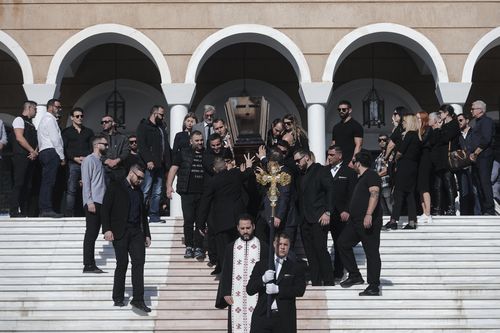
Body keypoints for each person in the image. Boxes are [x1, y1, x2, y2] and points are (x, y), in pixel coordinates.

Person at [102, 164, 152, 313]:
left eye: (143, 179)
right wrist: (107, 229)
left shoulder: (138, 191)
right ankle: (118, 297)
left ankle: (138, 299)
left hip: (136, 231)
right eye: (138, 177)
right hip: (120, 231)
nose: (140, 181)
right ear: (131, 173)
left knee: (139, 263)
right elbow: (105, 209)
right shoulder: (115, 186)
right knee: (122, 263)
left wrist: (147, 234)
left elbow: (143, 215)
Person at [198, 155, 254, 274]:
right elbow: (247, 174)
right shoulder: (235, 174)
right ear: (225, 165)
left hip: (222, 222)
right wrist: (249, 166)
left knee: (224, 252)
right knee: (240, 248)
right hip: (238, 220)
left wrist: (200, 224)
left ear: (214, 169)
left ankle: (227, 276)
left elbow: (205, 203)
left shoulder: (213, 182)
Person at [338, 150, 382, 296]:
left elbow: (374, 194)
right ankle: (355, 275)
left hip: (368, 221)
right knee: (342, 243)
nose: (351, 164)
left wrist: (369, 214)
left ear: (358, 162)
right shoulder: (360, 177)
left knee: (371, 251)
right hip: (355, 222)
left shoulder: (372, 175)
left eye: (353, 161)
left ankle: (374, 285)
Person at [216, 214, 268, 333]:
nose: (245, 231)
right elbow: (226, 271)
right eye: (243, 228)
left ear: (253, 227)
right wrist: (225, 292)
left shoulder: (263, 247)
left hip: (257, 297)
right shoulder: (231, 247)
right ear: (238, 228)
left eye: (248, 228)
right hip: (235, 296)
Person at [246, 232, 306, 333]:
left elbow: (300, 290)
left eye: (285, 244)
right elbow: (250, 289)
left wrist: (279, 289)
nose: (282, 247)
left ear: (289, 246)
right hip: (262, 315)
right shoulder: (261, 265)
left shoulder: (296, 267)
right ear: (274, 244)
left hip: (284, 318)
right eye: (279, 244)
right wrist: (263, 279)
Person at [294, 149, 334, 286]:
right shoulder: (301, 174)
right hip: (304, 219)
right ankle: (316, 281)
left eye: (298, 160)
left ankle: (328, 280)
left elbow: (331, 191)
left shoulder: (321, 170)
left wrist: (327, 212)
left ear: (306, 157)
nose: (296, 163)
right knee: (310, 252)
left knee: (320, 249)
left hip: (319, 217)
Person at [166, 130, 205, 260]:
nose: (200, 143)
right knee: (188, 220)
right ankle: (189, 246)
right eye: (197, 140)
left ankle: (199, 246)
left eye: (201, 140)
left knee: (200, 221)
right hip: (187, 192)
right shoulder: (183, 153)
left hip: (203, 192)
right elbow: (173, 169)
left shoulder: (207, 153)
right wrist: (168, 186)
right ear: (191, 141)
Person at [384, 114, 421, 230]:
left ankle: (393, 220)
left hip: (404, 166)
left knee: (398, 193)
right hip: (413, 167)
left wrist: (394, 159)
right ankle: (411, 221)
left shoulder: (410, 134)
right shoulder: (417, 136)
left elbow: (400, 151)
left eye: (404, 121)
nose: (403, 123)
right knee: (410, 195)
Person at [326, 145, 357, 281]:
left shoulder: (349, 172)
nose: (329, 157)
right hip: (325, 214)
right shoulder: (324, 171)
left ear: (340, 156)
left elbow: (353, 194)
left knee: (339, 243)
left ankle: (338, 271)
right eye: (328, 154)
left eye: (332, 155)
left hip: (341, 215)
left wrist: (347, 210)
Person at [137, 105, 172, 223]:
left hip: (160, 165)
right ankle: (138, 215)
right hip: (149, 165)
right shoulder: (143, 127)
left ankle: (154, 215)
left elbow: (165, 146)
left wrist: (169, 163)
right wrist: (148, 160)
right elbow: (142, 146)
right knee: (145, 190)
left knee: (157, 192)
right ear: (154, 113)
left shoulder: (161, 128)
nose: (163, 117)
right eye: (161, 114)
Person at [81, 135, 107, 273]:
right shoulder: (89, 160)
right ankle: (88, 264)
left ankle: (91, 264)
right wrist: (89, 201)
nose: (107, 146)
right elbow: (86, 181)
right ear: (97, 145)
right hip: (93, 202)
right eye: (105, 144)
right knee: (91, 233)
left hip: (101, 201)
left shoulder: (100, 161)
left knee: (94, 233)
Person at [62, 107, 94, 217]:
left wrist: (86, 158)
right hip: (73, 163)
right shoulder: (66, 132)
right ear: (72, 118)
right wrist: (74, 158)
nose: (80, 118)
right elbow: (64, 149)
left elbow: (92, 148)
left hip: (86, 164)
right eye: (77, 116)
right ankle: (69, 214)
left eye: (81, 116)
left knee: (88, 188)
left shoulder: (89, 132)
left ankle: (86, 212)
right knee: (71, 189)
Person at [9, 101, 38, 218]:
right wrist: (32, 150)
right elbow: (19, 138)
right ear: (29, 108)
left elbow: (35, 141)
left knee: (27, 185)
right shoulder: (19, 120)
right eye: (35, 109)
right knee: (19, 184)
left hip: (30, 158)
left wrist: (35, 152)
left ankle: (24, 211)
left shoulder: (31, 124)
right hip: (20, 156)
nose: (36, 111)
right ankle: (14, 211)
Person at [37, 99, 65, 218]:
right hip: (51, 152)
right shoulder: (50, 119)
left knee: (47, 181)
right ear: (50, 107)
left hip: (45, 152)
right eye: (57, 107)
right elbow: (55, 139)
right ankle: (46, 209)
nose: (59, 109)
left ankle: (45, 208)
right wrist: (62, 156)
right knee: (49, 182)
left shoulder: (44, 119)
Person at [431, 104, 460, 215]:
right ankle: (438, 208)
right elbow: (435, 140)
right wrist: (439, 129)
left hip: (447, 159)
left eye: (441, 113)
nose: (439, 115)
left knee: (448, 183)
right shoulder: (444, 125)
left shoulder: (453, 124)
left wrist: (439, 130)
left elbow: (444, 138)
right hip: (440, 159)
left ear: (446, 113)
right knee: (437, 184)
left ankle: (451, 208)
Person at [469, 100, 496, 215]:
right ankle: (484, 209)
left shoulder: (487, 121)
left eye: (473, 108)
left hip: (484, 157)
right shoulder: (477, 122)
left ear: (480, 110)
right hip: (477, 158)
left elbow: (486, 139)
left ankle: (490, 209)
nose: (471, 110)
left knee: (485, 182)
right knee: (479, 183)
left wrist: (475, 153)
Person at [331, 100, 363, 167]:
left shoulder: (356, 126)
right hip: (337, 162)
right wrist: (329, 159)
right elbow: (333, 144)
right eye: (339, 109)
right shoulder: (336, 127)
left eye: (344, 109)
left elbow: (358, 145)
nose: (341, 111)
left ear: (350, 110)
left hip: (349, 162)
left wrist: (353, 161)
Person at [456, 113, 477, 215]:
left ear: (467, 120)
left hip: (474, 165)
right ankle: (464, 215)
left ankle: (477, 213)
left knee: (475, 190)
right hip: (462, 166)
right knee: (463, 192)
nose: (459, 122)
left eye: (461, 120)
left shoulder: (474, 132)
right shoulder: (457, 135)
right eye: (458, 121)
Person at [100, 114, 129, 183]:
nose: (104, 123)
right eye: (102, 122)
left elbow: (126, 152)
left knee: (119, 192)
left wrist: (116, 161)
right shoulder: (99, 138)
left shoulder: (122, 137)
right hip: (104, 169)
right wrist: (106, 161)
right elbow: (96, 152)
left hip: (119, 170)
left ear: (113, 123)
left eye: (106, 122)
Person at [416, 111, 433, 223]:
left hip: (425, 160)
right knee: (420, 188)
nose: (416, 120)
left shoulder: (428, 129)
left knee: (425, 187)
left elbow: (422, 142)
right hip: (418, 160)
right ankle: (424, 212)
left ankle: (428, 213)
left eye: (418, 118)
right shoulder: (417, 131)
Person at [373, 133, 392, 215]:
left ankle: (395, 224)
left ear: (388, 141)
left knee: (390, 206)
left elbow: (388, 170)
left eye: (384, 140)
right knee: (382, 209)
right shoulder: (380, 155)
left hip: (387, 184)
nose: (382, 142)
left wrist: (375, 176)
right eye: (379, 140)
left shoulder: (390, 154)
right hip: (379, 184)